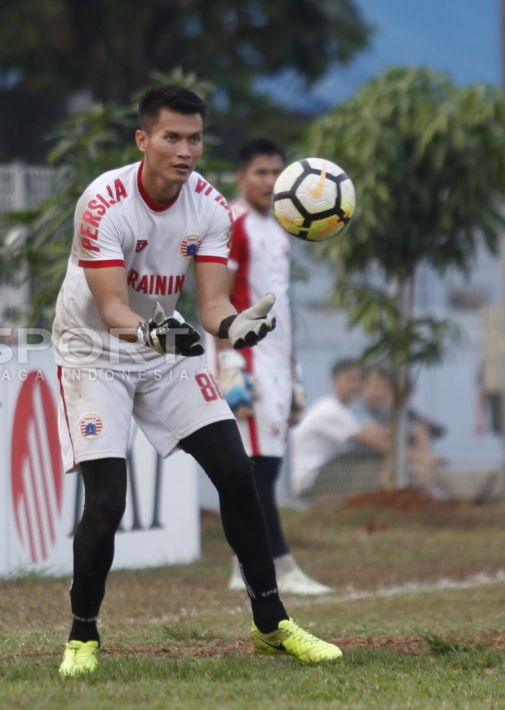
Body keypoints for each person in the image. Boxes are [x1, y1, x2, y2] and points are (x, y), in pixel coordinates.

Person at [52, 86, 341, 677]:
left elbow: (210, 308)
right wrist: (167, 337)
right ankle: (83, 637)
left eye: (195, 139)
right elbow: (112, 313)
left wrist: (238, 325)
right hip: (94, 350)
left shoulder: (210, 207)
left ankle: (271, 625)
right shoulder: (103, 202)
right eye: (172, 137)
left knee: (237, 473)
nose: (185, 151)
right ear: (143, 140)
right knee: (106, 502)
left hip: (165, 342)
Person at [216, 138, 329, 595]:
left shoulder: (285, 227)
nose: (269, 181)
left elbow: (281, 303)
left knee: (267, 470)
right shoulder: (234, 224)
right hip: (249, 362)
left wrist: (295, 370)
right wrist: (227, 362)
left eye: (277, 173)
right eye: (261, 172)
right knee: (258, 470)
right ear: (242, 176)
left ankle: (240, 563)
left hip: (280, 362)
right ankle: (280, 565)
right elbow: (218, 294)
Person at [290, 360, 389, 496]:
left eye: (359, 380)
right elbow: (373, 441)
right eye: (350, 380)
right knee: (373, 460)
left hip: (319, 473)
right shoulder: (331, 409)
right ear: (334, 381)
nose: (356, 385)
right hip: (309, 478)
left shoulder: (341, 409)